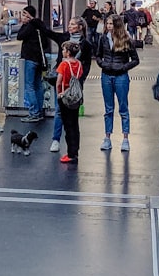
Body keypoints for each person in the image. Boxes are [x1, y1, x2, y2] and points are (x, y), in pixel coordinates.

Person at [95, 14, 140, 151]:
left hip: (121, 77)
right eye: (107, 24)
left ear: (117, 25)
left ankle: (125, 139)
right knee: (108, 109)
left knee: (123, 108)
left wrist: (123, 67)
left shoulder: (127, 40)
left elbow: (135, 60)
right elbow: (98, 55)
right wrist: (103, 64)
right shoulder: (103, 39)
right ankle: (107, 138)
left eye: (111, 24)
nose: (108, 26)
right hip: (106, 76)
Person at [49, 18, 92, 153]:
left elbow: (87, 64)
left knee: (72, 115)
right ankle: (56, 140)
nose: (69, 26)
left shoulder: (86, 44)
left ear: (80, 27)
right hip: (62, 82)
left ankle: (73, 147)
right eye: (69, 24)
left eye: (73, 24)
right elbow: (49, 33)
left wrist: (81, 79)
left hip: (74, 85)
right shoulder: (64, 38)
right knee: (59, 111)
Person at [17, 5, 56, 123]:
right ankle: (39, 111)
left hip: (30, 58)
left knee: (29, 86)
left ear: (28, 15)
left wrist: (25, 24)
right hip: (40, 59)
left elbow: (19, 36)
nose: (22, 17)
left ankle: (34, 113)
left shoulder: (30, 26)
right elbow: (45, 43)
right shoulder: (40, 25)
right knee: (38, 85)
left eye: (24, 14)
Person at [56, 42, 84, 164]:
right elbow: (79, 76)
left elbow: (59, 81)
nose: (63, 52)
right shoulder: (78, 64)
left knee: (67, 126)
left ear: (68, 52)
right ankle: (75, 151)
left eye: (64, 50)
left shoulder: (64, 64)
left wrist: (59, 93)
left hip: (65, 97)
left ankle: (70, 154)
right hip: (75, 97)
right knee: (75, 125)